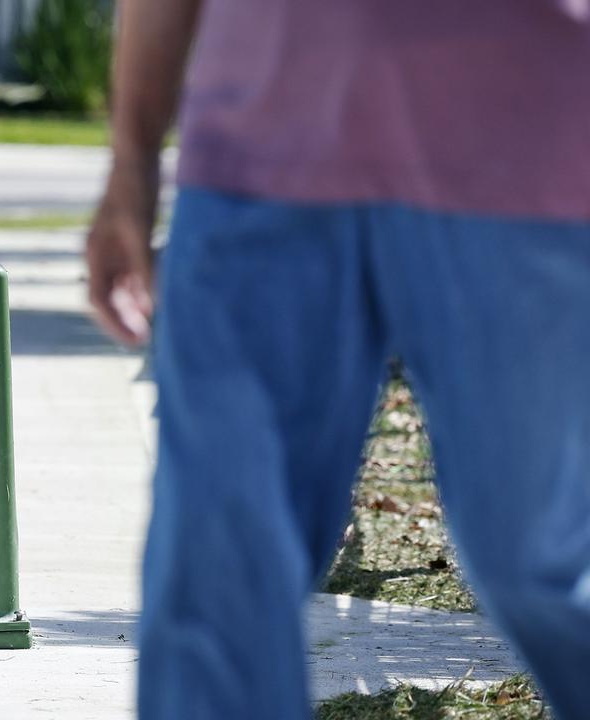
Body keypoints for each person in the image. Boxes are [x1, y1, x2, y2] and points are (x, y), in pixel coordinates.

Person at [86, 1, 590, 718]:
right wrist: (130, 163)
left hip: (523, 150)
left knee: (539, 561)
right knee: (217, 560)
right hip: (253, 155)